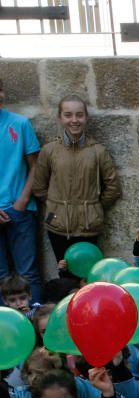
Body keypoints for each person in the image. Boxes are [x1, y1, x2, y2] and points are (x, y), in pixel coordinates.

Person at [32, 94, 120, 267]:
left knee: (86, 275)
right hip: (58, 224)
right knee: (64, 273)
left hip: (89, 225)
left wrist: (93, 208)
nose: (74, 120)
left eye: (79, 115)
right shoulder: (49, 151)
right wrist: (55, 206)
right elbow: (39, 187)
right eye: (68, 115)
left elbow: (113, 187)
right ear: (60, 118)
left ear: (86, 117)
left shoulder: (98, 151)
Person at [0, 78, 42, 303]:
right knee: (0, 277)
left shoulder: (20, 124)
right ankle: (5, 331)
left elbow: (35, 165)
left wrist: (22, 202)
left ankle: (35, 326)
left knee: (28, 274)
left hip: (20, 210)